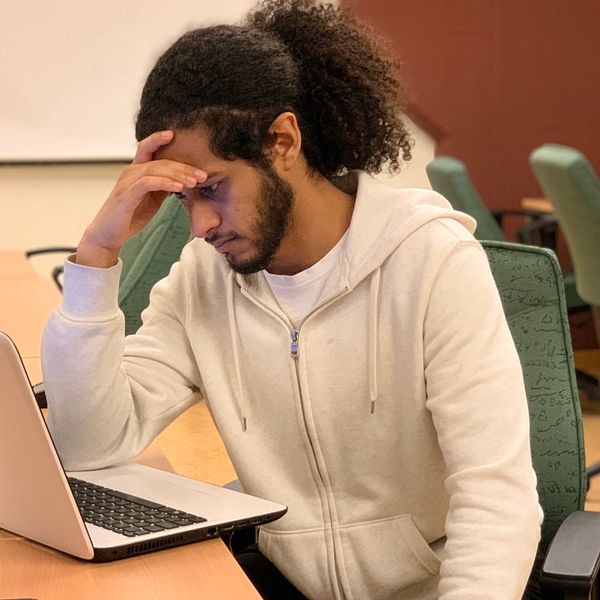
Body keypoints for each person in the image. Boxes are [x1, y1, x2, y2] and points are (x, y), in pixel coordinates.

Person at [41, 1, 541, 598]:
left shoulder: (433, 265)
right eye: (182, 200)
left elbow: (497, 500)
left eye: (214, 189)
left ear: (283, 140)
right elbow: (89, 442)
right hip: (286, 582)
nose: (199, 226)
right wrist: (96, 254)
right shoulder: (205, 279)